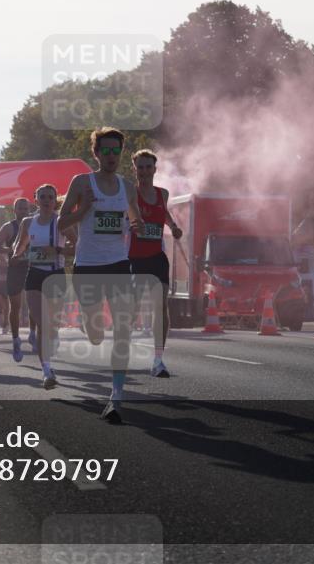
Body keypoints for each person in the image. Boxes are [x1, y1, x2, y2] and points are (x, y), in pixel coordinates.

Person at [59, 126, 144, 424]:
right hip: (88, 265)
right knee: (96, 336)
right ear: (95, 153)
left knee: (123, 328)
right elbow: (60, 223)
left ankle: (116, 398)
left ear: (121, 153)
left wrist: (136, 226)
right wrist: (82, 214)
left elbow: (135, 218)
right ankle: (87, 322)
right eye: (105, 150)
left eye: (115, 151)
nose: (110, 156)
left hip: (118, 263)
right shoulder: (81, 183)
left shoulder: (127, 187)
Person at [12, 184, 77, 389]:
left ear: (55, 199)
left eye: (51, 196)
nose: (47, 200)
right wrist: (16, 255)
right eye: (43, 197)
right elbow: (19, 245)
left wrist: (57, 249)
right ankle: (47, 371)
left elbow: (77, 246)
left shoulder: (61, 222)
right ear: (36, 200)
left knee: (52, 323)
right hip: (35, 274)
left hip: (55, 274)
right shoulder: (27, 222)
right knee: (41, 323)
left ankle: (54, 336)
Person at [129, 149, 183, 378]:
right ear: (135, 169)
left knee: (160, 305)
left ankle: (158, 360)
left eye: (148, 167)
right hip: (134, 258)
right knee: (131, 311)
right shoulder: (129, 193)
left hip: (156, 258)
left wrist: (172, 226)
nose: (144, 171)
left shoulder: (163, 194)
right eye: (140, 167)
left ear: (155, 169)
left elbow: (165, 214)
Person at [0, 198, 37, 362]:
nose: (23, 211)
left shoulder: (35, 223)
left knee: (33, 303)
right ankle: (16, 340)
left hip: (33, 267)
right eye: (20, 208)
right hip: (15, 269)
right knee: (15, 306)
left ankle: (32, 334)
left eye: (26, 208)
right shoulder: (9, 227)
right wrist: (9, 250)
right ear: (14, 210)